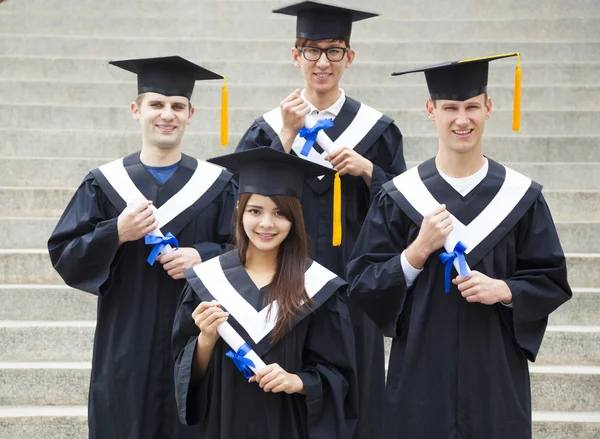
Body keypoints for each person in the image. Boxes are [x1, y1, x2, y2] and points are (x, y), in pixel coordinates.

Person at [346, 53, 572, 439]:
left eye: (471, 107)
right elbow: (361, 283)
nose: (462, 119)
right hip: (419, 377)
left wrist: (504, 290)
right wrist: (415, 253)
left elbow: (551, 281)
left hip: (495, 377)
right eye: (450, 107)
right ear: (431, 110)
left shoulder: (520, 198)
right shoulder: (400, 197)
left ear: (488, 108)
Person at [235, 3, 406, 436]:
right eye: (312, 50)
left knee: (359, 394)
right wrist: (287, 136)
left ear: (350, 57)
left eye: (334, 51)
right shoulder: (268, 130)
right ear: (296, 57)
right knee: (292, 389)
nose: (322, 61)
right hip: (286, 282)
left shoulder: (376, 131)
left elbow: (406, 212)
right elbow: (240, 207)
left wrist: (370, 171)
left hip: (355, 283)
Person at [47, 56, 237, 439]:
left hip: (194, 338)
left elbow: (248, 250)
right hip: (125, 339)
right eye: (156, 104)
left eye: (177, 106)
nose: (167, 114)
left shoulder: (218, 185)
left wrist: (203, 255)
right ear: (136, 111)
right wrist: (115, 231)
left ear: (190, 113)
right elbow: (66, 255)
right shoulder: (104, 183)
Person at [172, 147, 359, 439]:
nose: (266, 224)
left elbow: (338, 377)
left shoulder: (318, 288)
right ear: (239, 212)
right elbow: (187, 379)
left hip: (290, 425)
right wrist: (206, 339)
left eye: (279, 213)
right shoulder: (207, 282)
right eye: (255, 211)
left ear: (294, 219)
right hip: (223, 425)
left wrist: (296, 381)